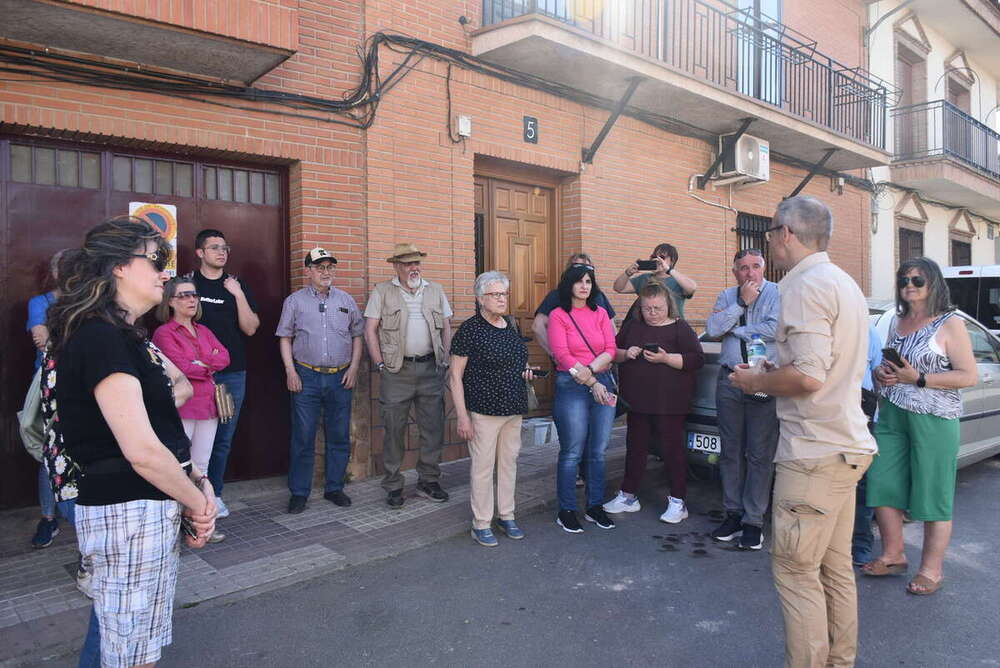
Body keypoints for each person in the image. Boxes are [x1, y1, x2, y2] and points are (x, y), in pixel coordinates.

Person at [45, 217, 216, 668]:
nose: (166, 273)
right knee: (128, 657)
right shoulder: (99, 338)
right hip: (127, 513)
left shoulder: (124, 336)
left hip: (145, 510)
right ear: (119, 266)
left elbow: (160, 431)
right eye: (157, 260)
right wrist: (196, 503)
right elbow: (139, 450)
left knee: (141, 652)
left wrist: (196, 479)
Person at [730, 196, 876, 668]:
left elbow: (810, 376)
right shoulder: (843, 282)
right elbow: (820, 366)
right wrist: (779, 370)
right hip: (843, 446)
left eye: (771, 232)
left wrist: (757, 380)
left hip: (814, 452)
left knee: (796, 573)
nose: (770, 241)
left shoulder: (804, 284)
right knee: (834, 571)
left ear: (786, 234)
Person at [863, 257, 976, 596]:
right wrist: (882, 374)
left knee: (933, 491)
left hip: (935, 418)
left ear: (933, 284)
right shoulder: (897, 322)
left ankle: (932, 569)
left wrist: (920, 378)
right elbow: (888, 367)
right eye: (903, 280)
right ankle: (893, 554)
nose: (909, 285)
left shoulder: (950, 323)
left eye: (917, 280)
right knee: (883, 483)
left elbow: (967, 375)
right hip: (893, 411)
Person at [603, 282, 704, 522]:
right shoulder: (633, 327)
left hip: (670, 403)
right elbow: (613, 352)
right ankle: (628, 496)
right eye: (647, 308)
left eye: (657, 308)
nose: (652, 313)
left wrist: (666, 358)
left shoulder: (680, 329)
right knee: (635, 449)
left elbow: (696, 359)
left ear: (668, 305)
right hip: (637, 401)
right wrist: (627, 353)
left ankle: (678, 502)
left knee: (672, 451)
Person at [364, 243, 453, 508]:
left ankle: (428, 480)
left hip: (430, 370)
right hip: (396, 371)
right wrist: (379, 364)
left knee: (433, 428)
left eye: (416, 263)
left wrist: (445, 359)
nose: (413, 268)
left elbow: (447, 327)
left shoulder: (435, 290)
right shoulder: (382, 291)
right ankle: (393, 484)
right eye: (407, 264)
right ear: (396, 267)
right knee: (393, 429)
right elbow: (370, 330)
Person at [449, 271, 534, 547]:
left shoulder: (509, 325)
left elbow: (517, 362)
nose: (501, 299)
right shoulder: (469, 330)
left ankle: (506, 515)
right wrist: (462, 416)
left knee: (508, 464)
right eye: (495, 294)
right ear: (480, 298)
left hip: (513, 408)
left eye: (503, 294)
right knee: (483, 468)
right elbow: (454, 377)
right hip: (484, 411)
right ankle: (481, 522)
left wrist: (527, 372)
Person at [277, 248, 364, 514]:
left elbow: (357, 336)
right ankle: (299, 492)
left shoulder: (346, 300)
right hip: (306, 377)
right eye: (320, 267)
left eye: (330, 267)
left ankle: (334, 487)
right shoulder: (295, 301)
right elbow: (285, 337)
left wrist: (354, 368)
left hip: (340, 377)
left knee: (338, 435)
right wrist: (291, 372)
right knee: (303, 436)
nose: (326, 272)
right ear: (308, 271)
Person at [705, 248, 780, 551]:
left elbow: (777, 329)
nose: (750, 273)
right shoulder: (727, 296)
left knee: (760, 454)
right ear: (735, 272)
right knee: (731, 451)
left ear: (764, 268)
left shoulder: (777, 293)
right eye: (743, 268)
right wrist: (740, 304)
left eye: (755, 267)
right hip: (730, 380)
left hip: (763, 378)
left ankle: (753, 521)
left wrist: (738, 330)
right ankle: (733, 513)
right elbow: (712, 330)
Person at [153, 276, 231, 542]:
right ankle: (173, 525)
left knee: (202, 466)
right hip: (183, 407)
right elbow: (180, 367)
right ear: (171, 301)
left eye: (194, 295)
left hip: (208, 406)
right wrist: (205, 362)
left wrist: (201, 362)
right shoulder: (164, 333)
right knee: (178, 467)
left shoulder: (204, 330)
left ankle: (198, 523)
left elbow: (225, 357)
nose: (191, 300)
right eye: (184, 295)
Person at [192, 228, 260, 519]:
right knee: (192, 437)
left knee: (222, 437)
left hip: (231, 375)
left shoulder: (236, 285)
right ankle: (191, 498)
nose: (222, 252)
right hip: (196, 376)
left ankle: (214, 494)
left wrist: (238, 294)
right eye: (215, 247)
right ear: (200, 253)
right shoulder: (188, 284)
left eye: (225, 248)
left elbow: (251, 328)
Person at [547, 264, 618, 533]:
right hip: (572, 385)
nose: (584, 286)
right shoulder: (558, 315)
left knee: (598, 452)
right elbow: (562, 355)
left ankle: (594, 506)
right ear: (569, 285)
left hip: (602, 380)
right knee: (572, 452)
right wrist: (589, 380)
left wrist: (594, 373)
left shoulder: (600, 313)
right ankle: (566, 510)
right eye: (579, 282)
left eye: (588, 281)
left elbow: (611, 348)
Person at [26, 250, 73, 549]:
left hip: (84, 387)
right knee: (49, 453)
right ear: (56, 273)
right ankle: (48, 517)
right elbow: (42, 340)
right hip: (50, 387)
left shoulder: (89, 305)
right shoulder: (40, 303)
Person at [532, 253, 617, 356]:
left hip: (600, 362)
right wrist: (555, 354)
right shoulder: (556, 296)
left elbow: (611, 328)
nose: (583, 272)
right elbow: (538, 326)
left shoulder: (599, 296)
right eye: (578, 267)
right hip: (569, 364)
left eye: (588, 268)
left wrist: (610, 356)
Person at [852, 325, 883, 566]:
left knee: (862, 482)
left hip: (862, 407)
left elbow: (878, 375)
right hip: (825, 410)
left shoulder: (867, 330)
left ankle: (860, 542)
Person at [612, 243, 697, 319]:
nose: (657, 260)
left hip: (673, 328)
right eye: (654, 257)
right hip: (647, 328)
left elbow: (692, 288)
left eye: (662, 257)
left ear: (672, 261)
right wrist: (627, 273)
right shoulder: (644, 278)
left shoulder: (678, 280)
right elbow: (618, 288)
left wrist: (669, 270)